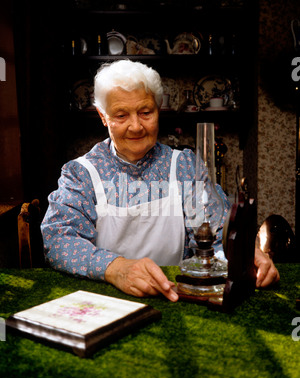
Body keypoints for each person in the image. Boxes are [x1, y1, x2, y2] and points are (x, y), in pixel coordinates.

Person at [41, 60, 279, 302]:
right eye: (121, 115)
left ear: (158, 108)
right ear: (103, 117)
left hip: (176, 296)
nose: (136, 126)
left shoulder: (184, 166)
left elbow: (217, 232)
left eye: (146, 112)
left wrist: (245, 254)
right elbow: (59, 239)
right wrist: (116, 268)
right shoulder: (82, 174)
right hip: (105, 301)